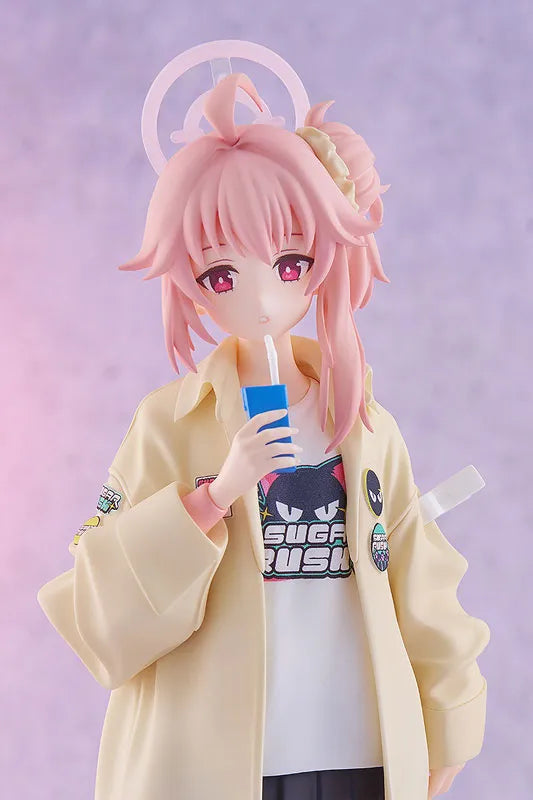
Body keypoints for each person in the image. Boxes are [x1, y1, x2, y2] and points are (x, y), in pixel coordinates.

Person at [37, 72, 490, 800]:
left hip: (358, 741)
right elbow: (98, 609)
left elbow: (418, 574)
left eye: (289, 264)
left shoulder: (365, 427)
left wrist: (451, 712)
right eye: (221, 275)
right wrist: (213, 497)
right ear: (187, 281)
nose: (261, 298)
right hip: (211, 760)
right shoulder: (170, 423)